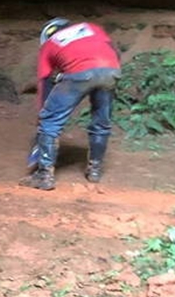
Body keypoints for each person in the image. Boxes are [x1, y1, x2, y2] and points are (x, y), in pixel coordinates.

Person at [28, 18, 122, 191]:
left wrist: (43, 115)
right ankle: (95, 170)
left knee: (50, 122)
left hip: (80, 72)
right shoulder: (91, 27)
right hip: (111, 70)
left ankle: (44, 175)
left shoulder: (50, 45)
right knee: (101, 121)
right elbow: (114, 51)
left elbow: (45, 83)